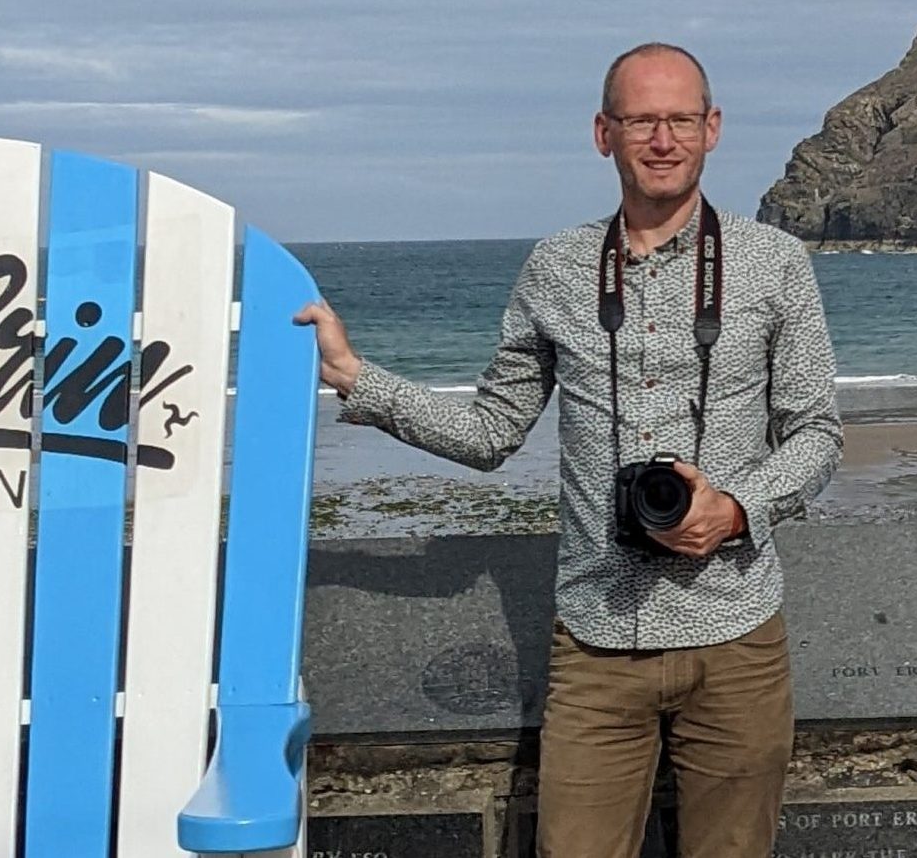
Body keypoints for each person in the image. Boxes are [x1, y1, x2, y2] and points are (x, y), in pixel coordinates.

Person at [295, 42, 842, 858]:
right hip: (594, 639)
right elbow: (489, 431)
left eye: (681, 119)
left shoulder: (774, 262)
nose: (663, 139)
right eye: (641, 120)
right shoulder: (555, 267)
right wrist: (353, 377)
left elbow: (817, 433)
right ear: (604, 133)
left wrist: (736, 510)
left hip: (736, 635)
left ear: (713, 128)